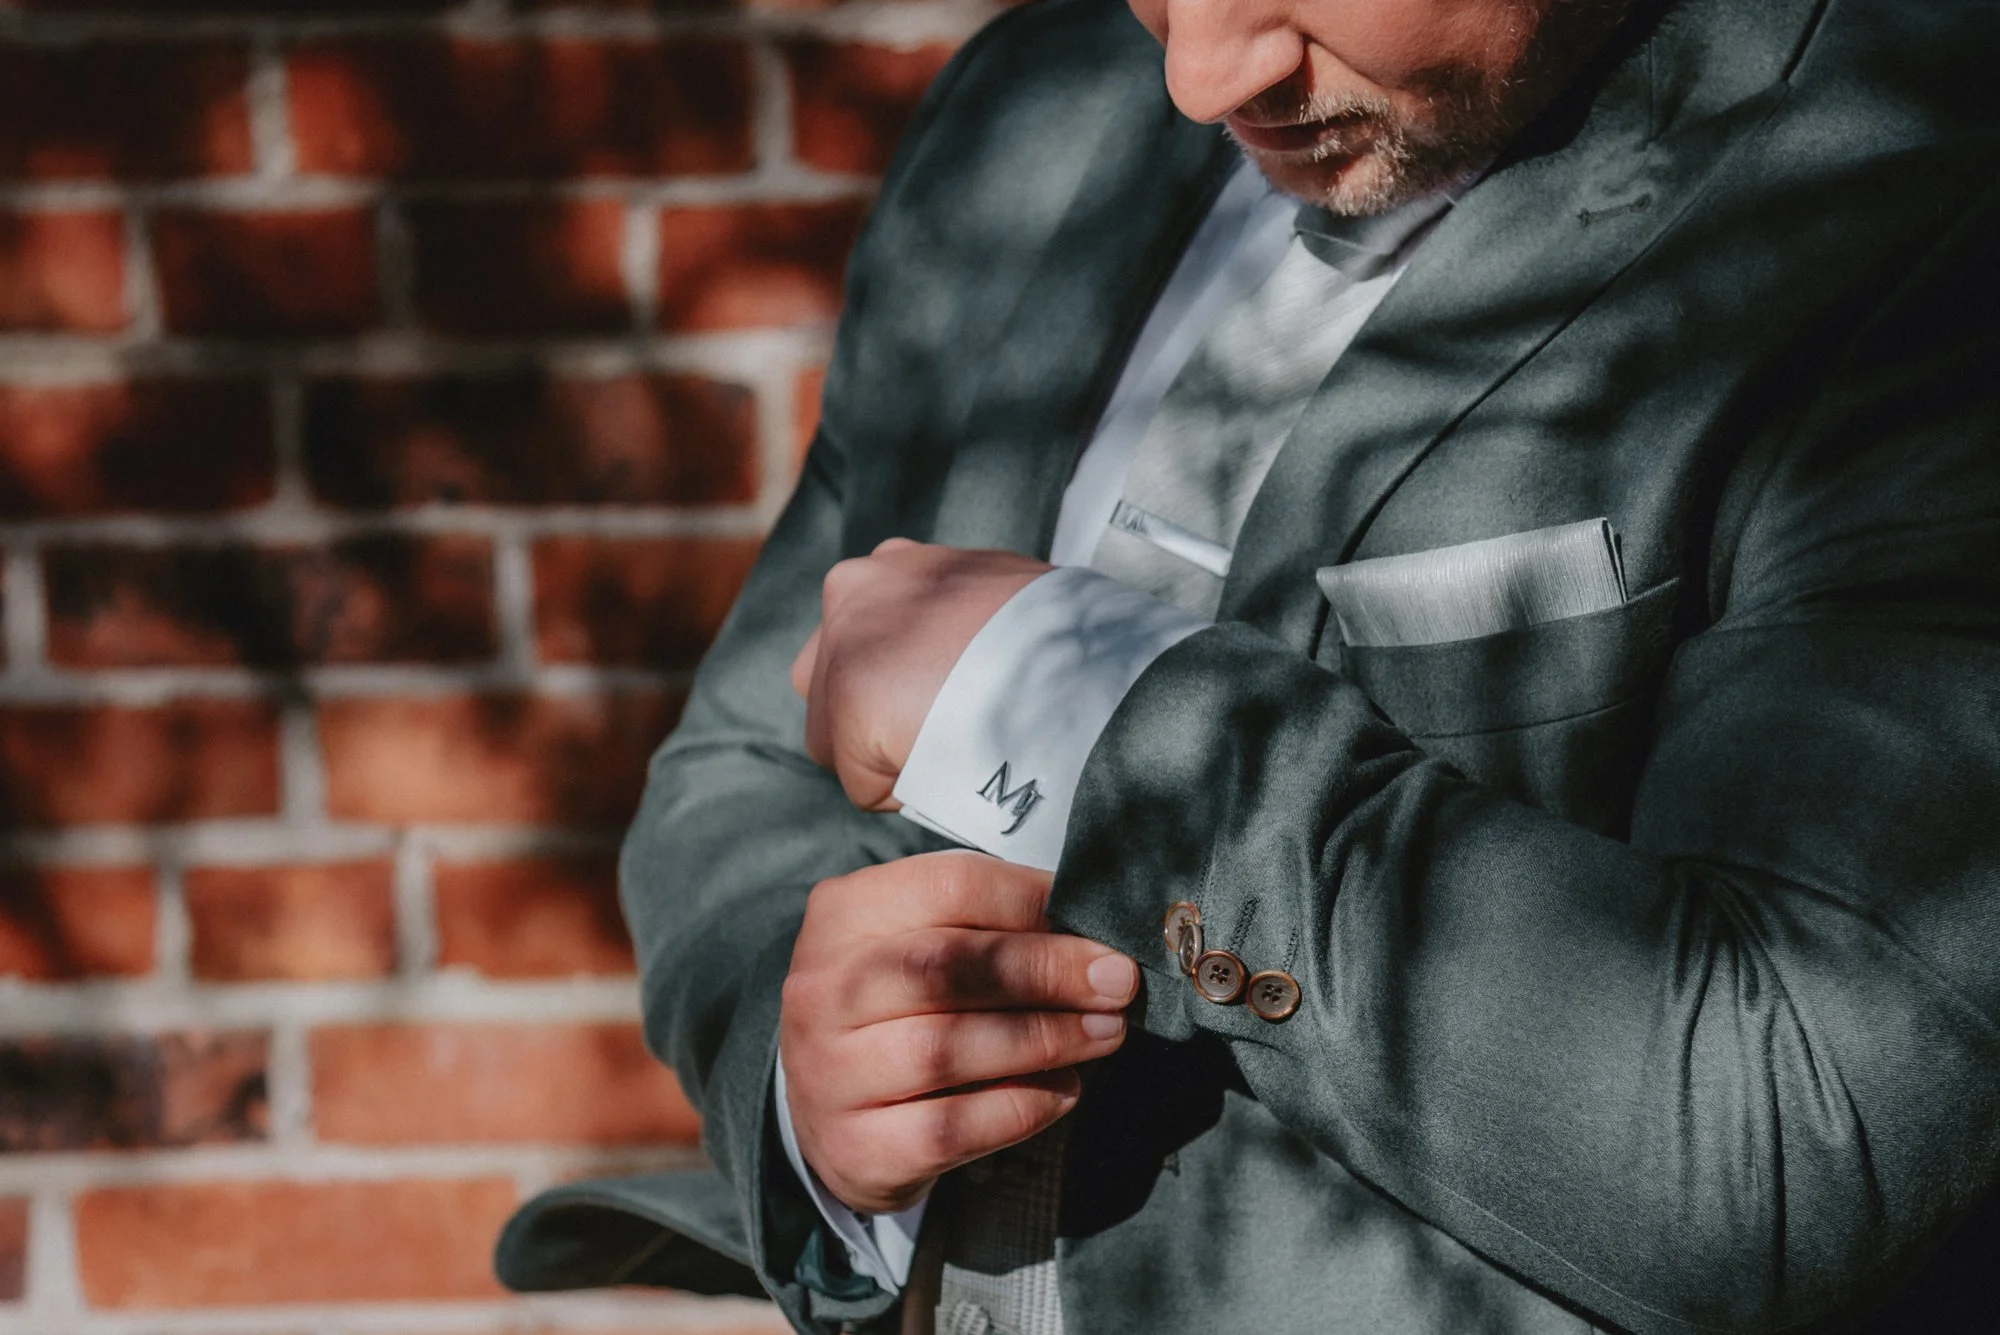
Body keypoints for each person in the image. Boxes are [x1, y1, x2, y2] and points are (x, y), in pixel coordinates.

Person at [494, 0, 2000, 1329]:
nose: (1202, 72)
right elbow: (737, 773)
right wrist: (809, 1074)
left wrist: (1085, 707)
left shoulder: (1922, 191)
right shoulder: (1035, 105)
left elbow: (1796, 1132)